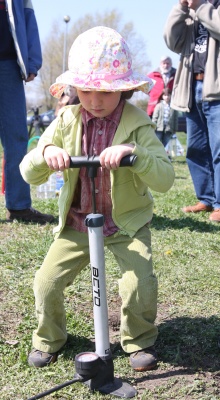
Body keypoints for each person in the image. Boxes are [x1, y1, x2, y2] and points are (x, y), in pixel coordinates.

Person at [20, 26, 175, 371]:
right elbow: (28, 173)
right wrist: (46, 151)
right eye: (87, 90)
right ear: (76, 89)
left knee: (138, 283)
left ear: (124, 89)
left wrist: (134, 153)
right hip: (78, 220)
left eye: (106, 91)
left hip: (125, 223)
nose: (95, 100)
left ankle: (138, 339)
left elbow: (165, 179)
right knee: (46, 282)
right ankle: (49, 337)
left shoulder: (138, 123)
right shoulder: (66, 120)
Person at [164, 0, 220, 222]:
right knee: (195, 148)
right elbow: (171, 40)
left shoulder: (208, 7)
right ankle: (206, 199)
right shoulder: (190, 9)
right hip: (191, 88)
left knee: (219, 149)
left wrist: (201, 8)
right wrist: (180, 8)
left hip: (216, 88)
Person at [0, 0, 54, 224]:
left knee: (17, 137)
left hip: (9, 65)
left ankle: (19, 206)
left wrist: (32, 60)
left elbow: (29, 19)